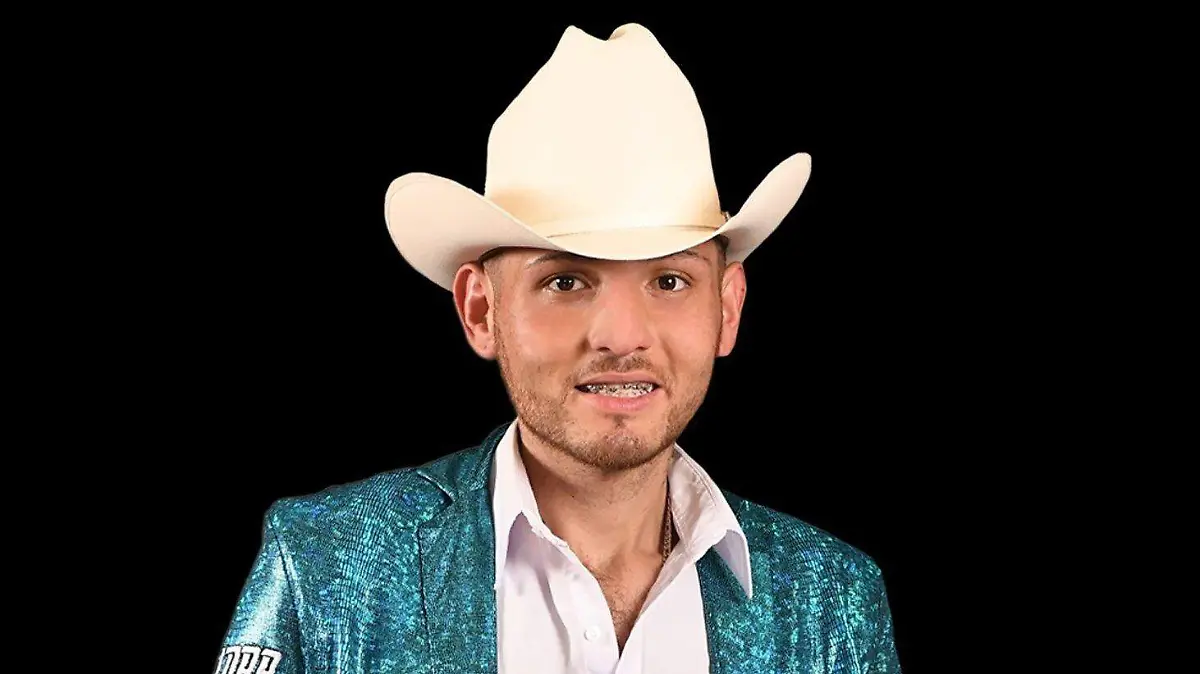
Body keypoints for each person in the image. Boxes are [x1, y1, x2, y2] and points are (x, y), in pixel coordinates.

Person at [214, 22, 900, 674]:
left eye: (669, 280)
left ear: (726, 309)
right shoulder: (324, 566)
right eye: (566, 281)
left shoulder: (832, 602)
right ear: (480, 310)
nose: (621, 336)